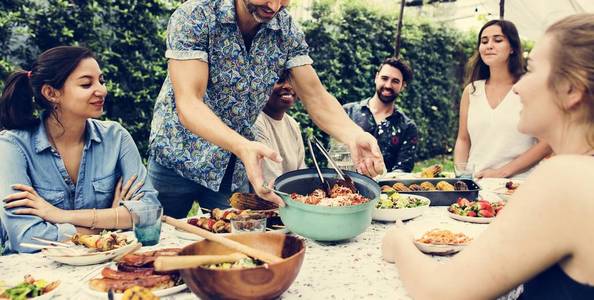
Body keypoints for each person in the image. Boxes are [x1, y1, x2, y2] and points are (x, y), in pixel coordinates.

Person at [382, 14, 594, 299]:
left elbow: (442, 292)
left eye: (532, 70)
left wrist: (397, 240)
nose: (519, 87)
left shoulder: (565, 178)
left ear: (571, 90)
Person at [148, 0, 384, 218]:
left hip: (232, 165)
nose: (274, 6)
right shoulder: (195, 15)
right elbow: (189, 103)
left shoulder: (287, 29)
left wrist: (353, 135)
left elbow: (316, 96)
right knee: (158, 245)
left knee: (231, 247)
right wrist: (242, 145)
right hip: (177, 156)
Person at [0, 46, 160, 254]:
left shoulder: (116, 137)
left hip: (106, 263)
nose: (102, 90)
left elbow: (148, 212)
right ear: (51, 93)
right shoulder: (12, 147)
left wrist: (59, 215)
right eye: (86, 84)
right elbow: (26, 238)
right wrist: (109, 221)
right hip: (35, 274)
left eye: (101, 81)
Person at [453, 19, 551, 179]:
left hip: (516, 187)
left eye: (497, 40)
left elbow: (546, 143)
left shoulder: (529, 87)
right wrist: (462, 175)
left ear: (512, 47)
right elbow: (463, 140)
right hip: (476, 185)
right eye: (484, 41)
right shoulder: (471, 91)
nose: (489, 45)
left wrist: (502, 172)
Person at [343, 57, 418, 172]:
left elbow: (402, 171)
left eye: (395, 81)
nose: (388, 85)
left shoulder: (408, 127)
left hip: (385, 189)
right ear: (376, 77)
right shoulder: (348, 112)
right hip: (344, 186)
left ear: (403, 86)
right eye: (384, 78)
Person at [254, 71, 306, 184]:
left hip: (292, 197)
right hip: (266, 199)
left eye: (292, 81)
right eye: (279, 80)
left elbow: (301, 173)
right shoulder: (256, 122)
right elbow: (270, 181)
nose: (288, 86)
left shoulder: (292, 124)